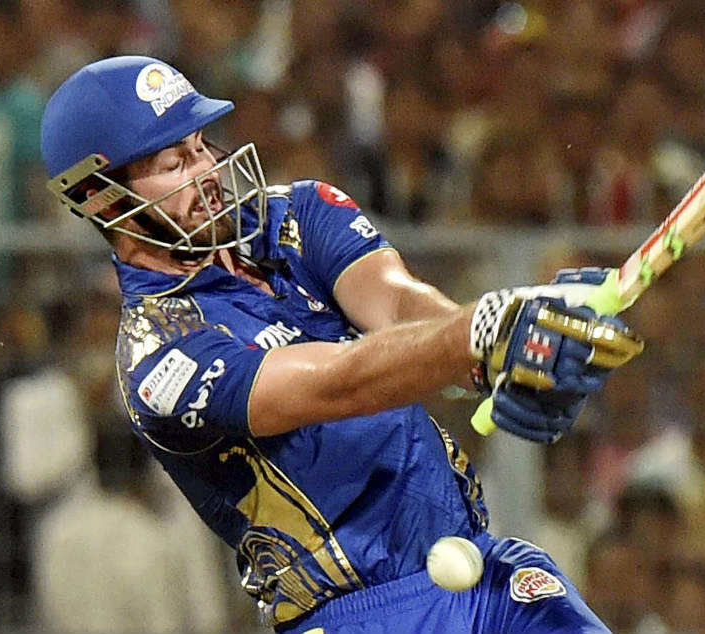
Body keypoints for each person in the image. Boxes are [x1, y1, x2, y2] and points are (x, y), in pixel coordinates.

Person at [39, 55, 644, 634]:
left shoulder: (295, 212)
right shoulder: (158, 357)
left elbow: (396, 303)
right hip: (358, 614)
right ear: (103, 198)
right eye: (175, 162)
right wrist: (480, 332)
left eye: (201, 146)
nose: (208, 173)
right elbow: (338, 382)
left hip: (482, 565)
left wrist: (493, 356)